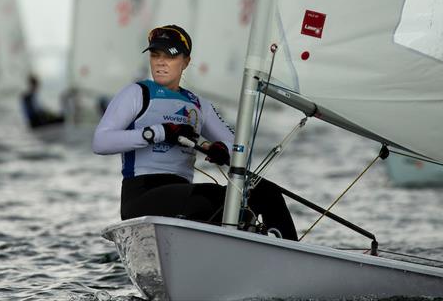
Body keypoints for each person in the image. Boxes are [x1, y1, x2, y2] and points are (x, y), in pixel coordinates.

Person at [92, 24, 297, 240]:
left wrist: (223, 150)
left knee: (266, 192)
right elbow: (101, 142)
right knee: (211, 198)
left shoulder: (198, 105)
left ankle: (291, 256)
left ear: (186, 61)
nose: (160, 62)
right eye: (155, 54)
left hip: (183, 194)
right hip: (142, 196)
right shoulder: (137, 93)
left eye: (169, 56)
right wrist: (160, 132)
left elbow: (239, 149)